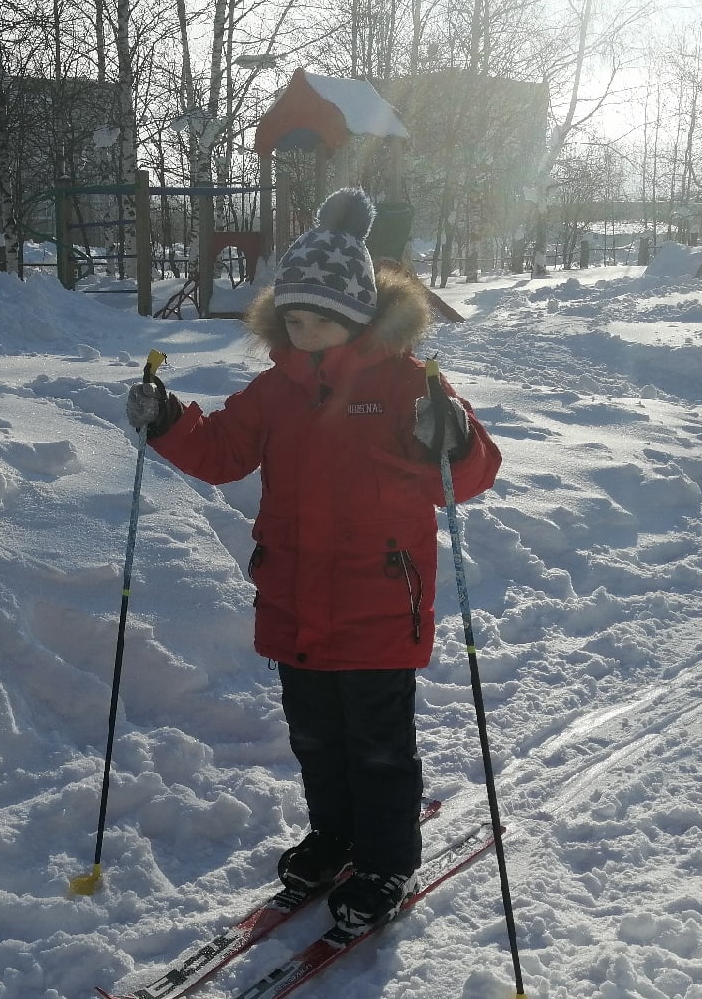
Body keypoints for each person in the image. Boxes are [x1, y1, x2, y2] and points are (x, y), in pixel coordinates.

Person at [124, 187, 502, 927]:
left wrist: (450, 436)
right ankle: (333, 834)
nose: (305, 330)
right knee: (317, 737)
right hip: (293, 598)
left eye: (321, 318)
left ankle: (387, 863)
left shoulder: (406, 385)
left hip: (379, 603)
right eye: (294, 318)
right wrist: (169, 422)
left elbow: (467, 475)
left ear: (359, 315)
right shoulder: (277, 390)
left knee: (378, 746)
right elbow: (224, 450)